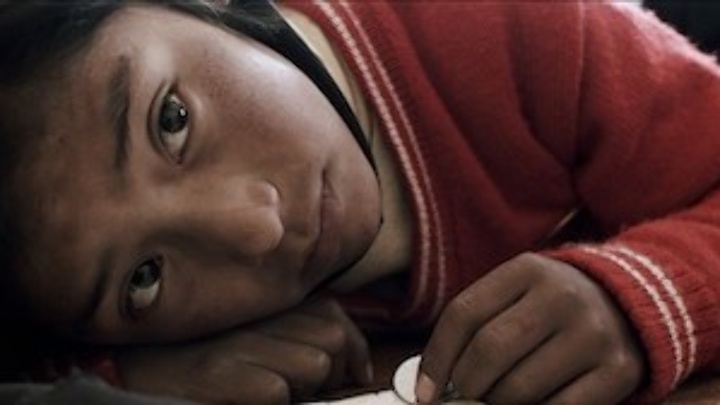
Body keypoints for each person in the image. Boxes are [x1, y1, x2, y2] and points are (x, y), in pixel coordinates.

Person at [1, 0, 720, 403]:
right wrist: (132, 379)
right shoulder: (130, 323)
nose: (255, 227)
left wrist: (635, 300)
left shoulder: (529, 30)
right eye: (144, 278)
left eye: (172, 120)